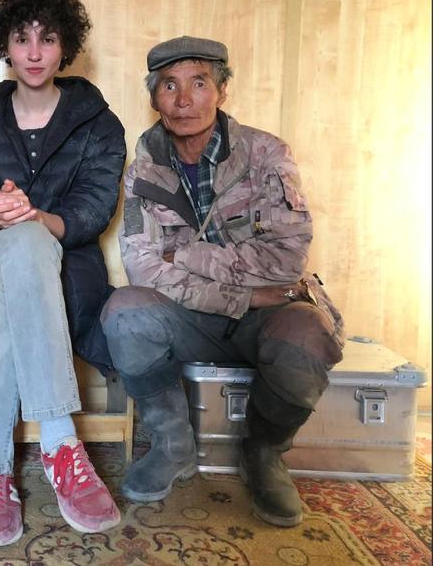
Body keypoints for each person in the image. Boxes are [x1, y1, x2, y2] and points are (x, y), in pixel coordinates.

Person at [101, 36, 344, 527]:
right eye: (169, 85)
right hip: (194, 316)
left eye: (199, 82)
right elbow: (144, 267)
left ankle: (264, 455)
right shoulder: (142, 169)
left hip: (268, 317)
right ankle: (173, 445)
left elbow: (283, 260)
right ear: (154, 97)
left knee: (307, 332)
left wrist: (184, 253)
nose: (184, 99)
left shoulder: (266, 154)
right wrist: (244, 292)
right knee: (125, 313)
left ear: (222, 90)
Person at [0, 0, 125, 547]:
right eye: (22, 38)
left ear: (65, 45)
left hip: (66, 273)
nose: (34, 52)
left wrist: (34, 219)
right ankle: (60, 443)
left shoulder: (99, 122)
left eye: (47, 39)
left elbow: (94, 209)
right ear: (5, 45)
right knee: (14, 247)